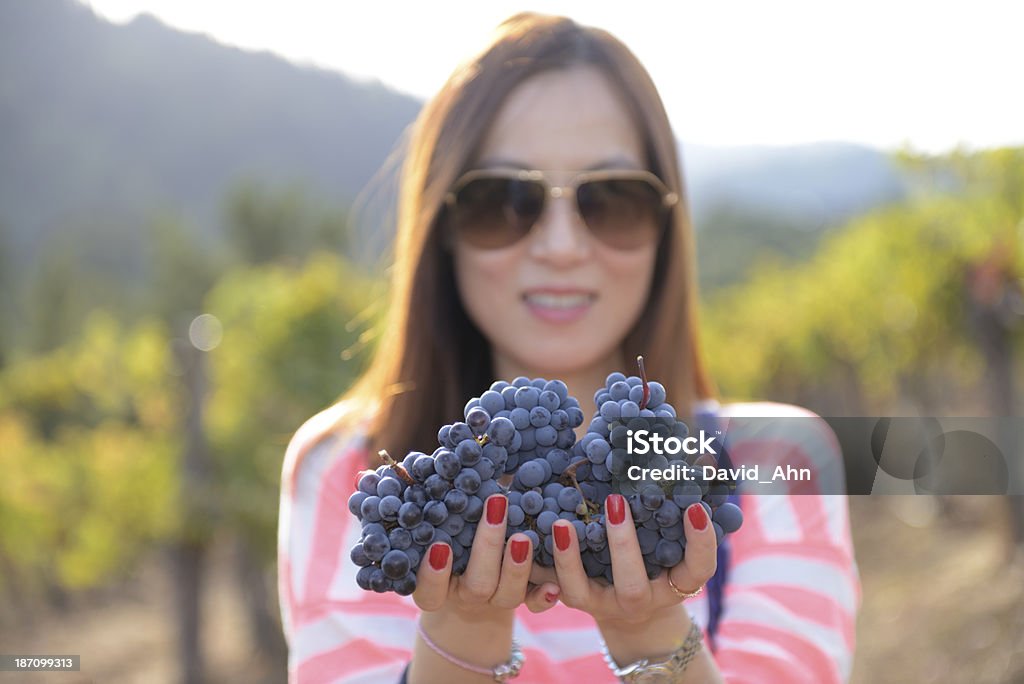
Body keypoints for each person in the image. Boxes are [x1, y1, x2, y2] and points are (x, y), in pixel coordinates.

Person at [278, 12, 859, 683]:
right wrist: (461, 637)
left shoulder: (781, 461)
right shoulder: (352, 473)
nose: (561, 247)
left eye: (612, 201)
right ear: (443, 227)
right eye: (503, 201)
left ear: (666, 230)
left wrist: (651, 637)